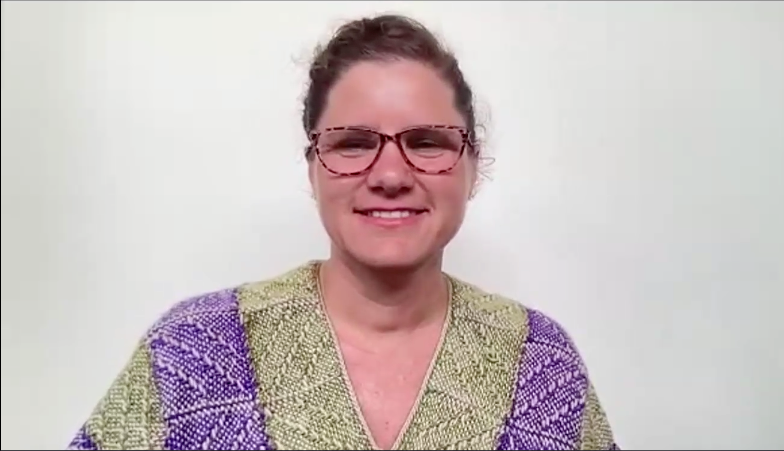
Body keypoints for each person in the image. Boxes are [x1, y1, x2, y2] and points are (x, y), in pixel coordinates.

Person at [67, 13, 619, 451]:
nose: (390, 176)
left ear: (472, 167)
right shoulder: (191, 351)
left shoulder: (538, 362)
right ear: (313, 167)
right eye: (353, 143)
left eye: (427, 142)